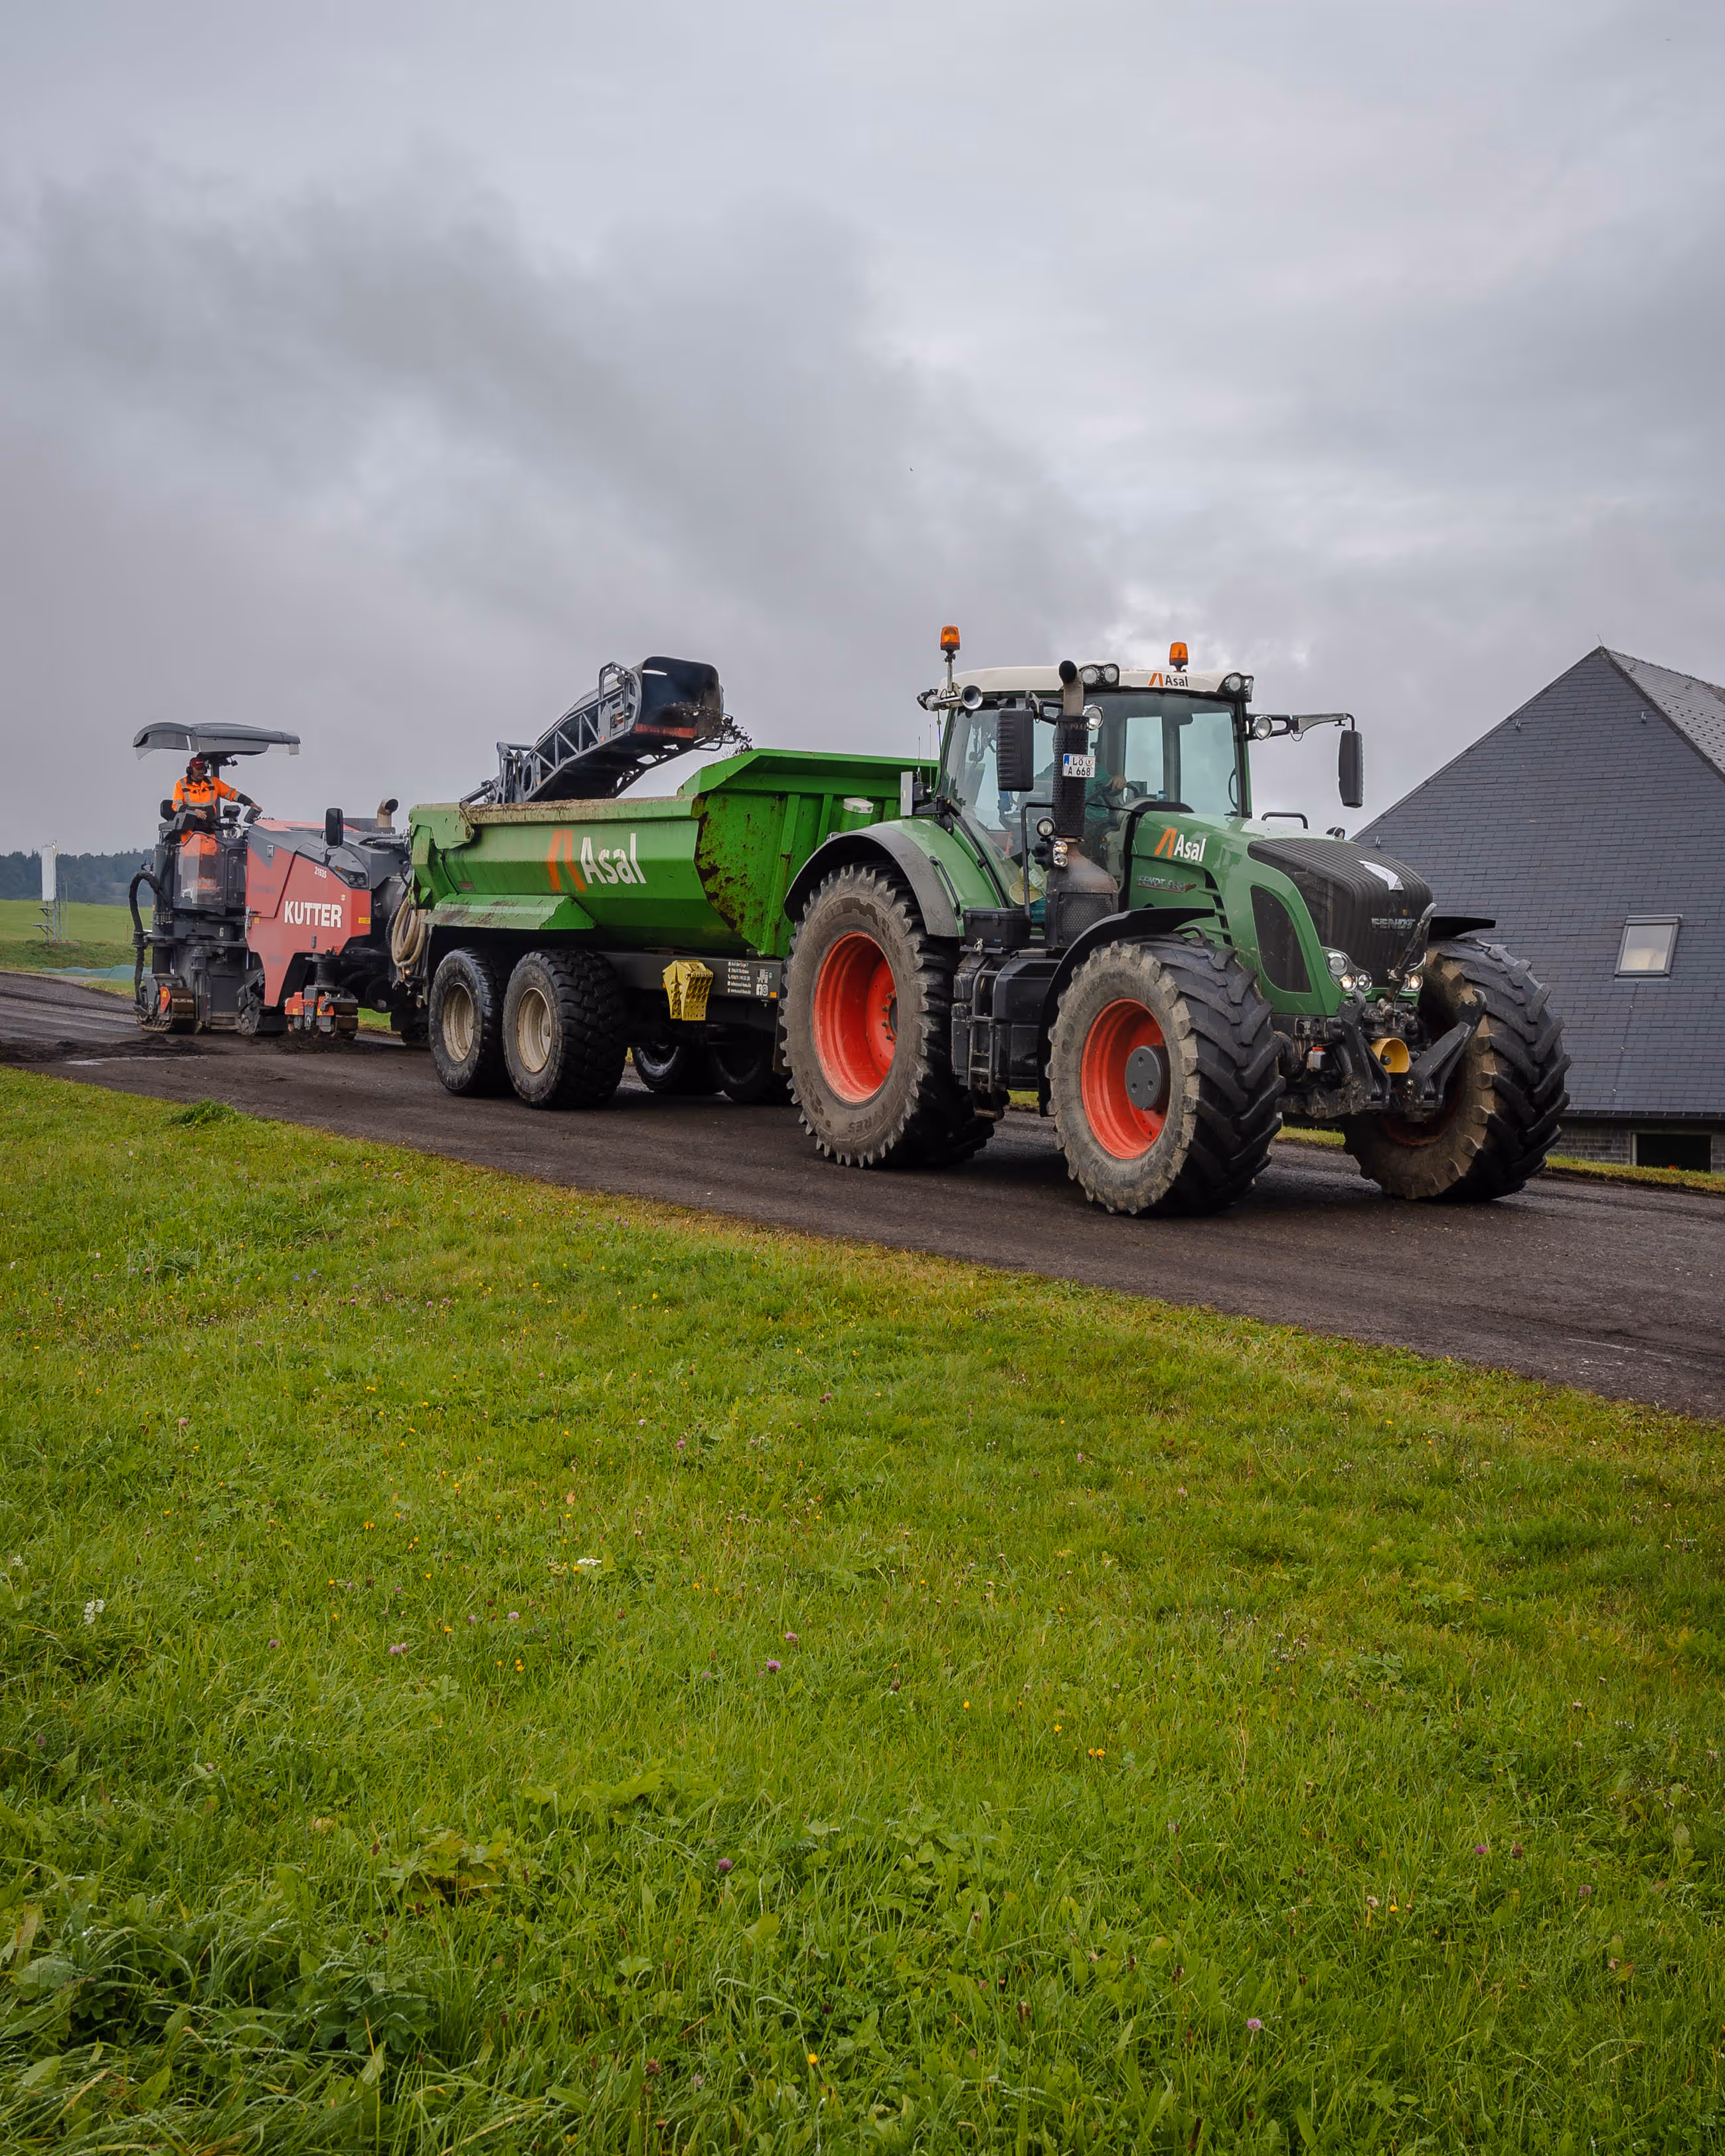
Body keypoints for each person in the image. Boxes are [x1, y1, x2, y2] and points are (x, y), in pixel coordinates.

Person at [172, 754, 258, 822]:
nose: (202, 772)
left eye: (203, 769)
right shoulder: (181, 785)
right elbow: (177, 806)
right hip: (190, 830)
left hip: (209, 828)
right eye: (198, 769)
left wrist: (249, 802)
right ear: (190, 770)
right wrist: (194, 811)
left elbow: (232, 794)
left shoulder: (213, 782)